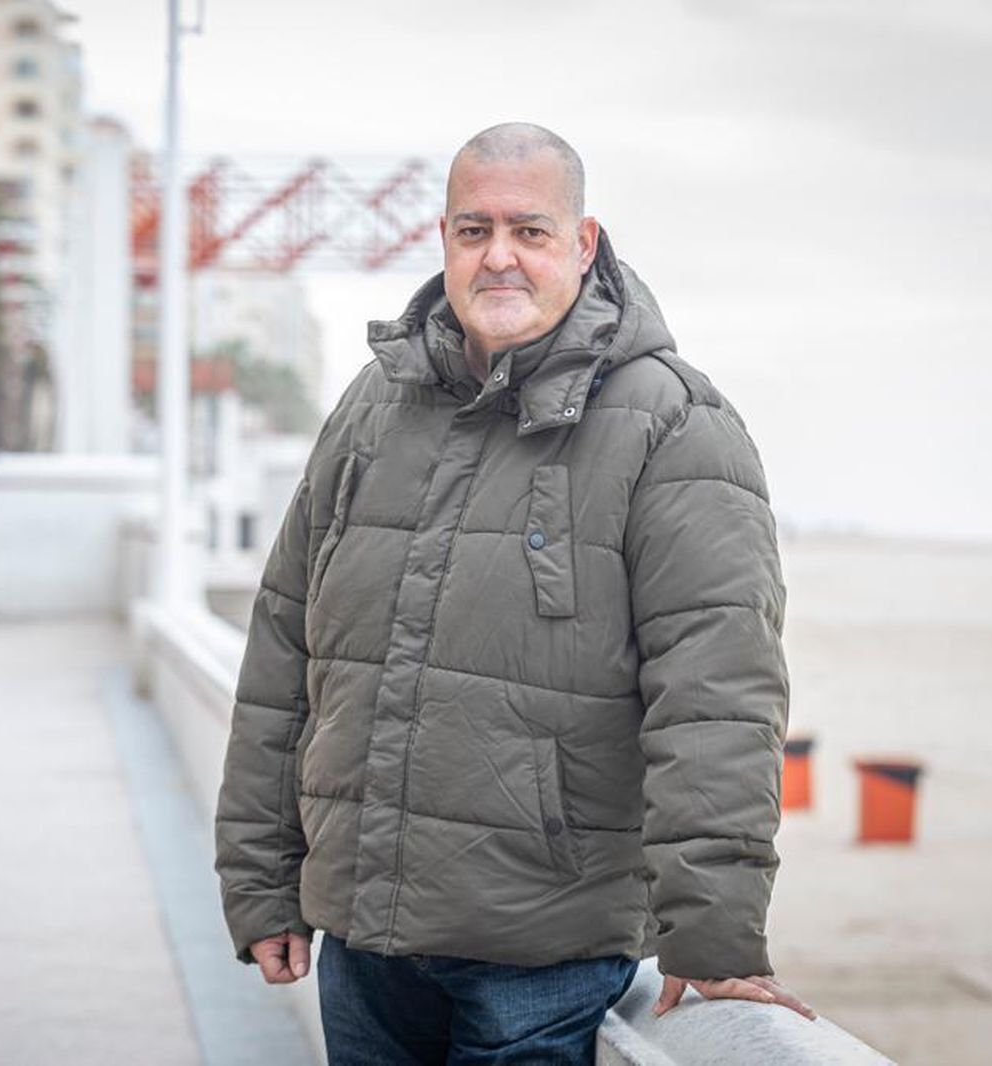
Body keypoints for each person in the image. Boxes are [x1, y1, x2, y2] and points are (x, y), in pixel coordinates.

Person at [214, 123, 812, 1064]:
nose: (499, 256)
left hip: (543, 952)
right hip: (363, 946)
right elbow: (284, 647)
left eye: (530, 231)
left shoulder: (676, 425)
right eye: (473, 230)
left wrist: (717, 934)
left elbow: (717, 695)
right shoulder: (376, 405)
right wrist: (261, 881)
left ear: (583, 244)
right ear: (444, 241)